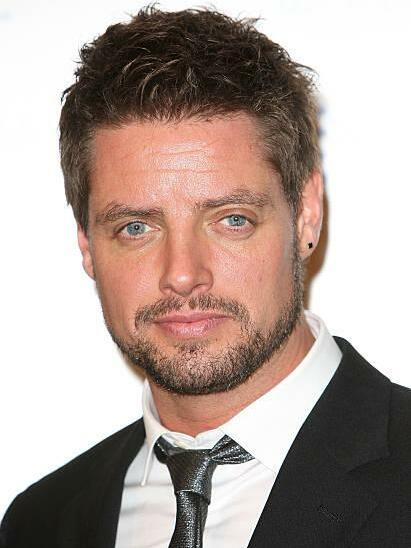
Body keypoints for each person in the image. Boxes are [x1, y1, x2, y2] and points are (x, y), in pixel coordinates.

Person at [1, 6, 410, 547]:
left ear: (306, 214)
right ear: (86, 243)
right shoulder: (37, 524)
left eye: (231, 220)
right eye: (136, 228)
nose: (182, 275)